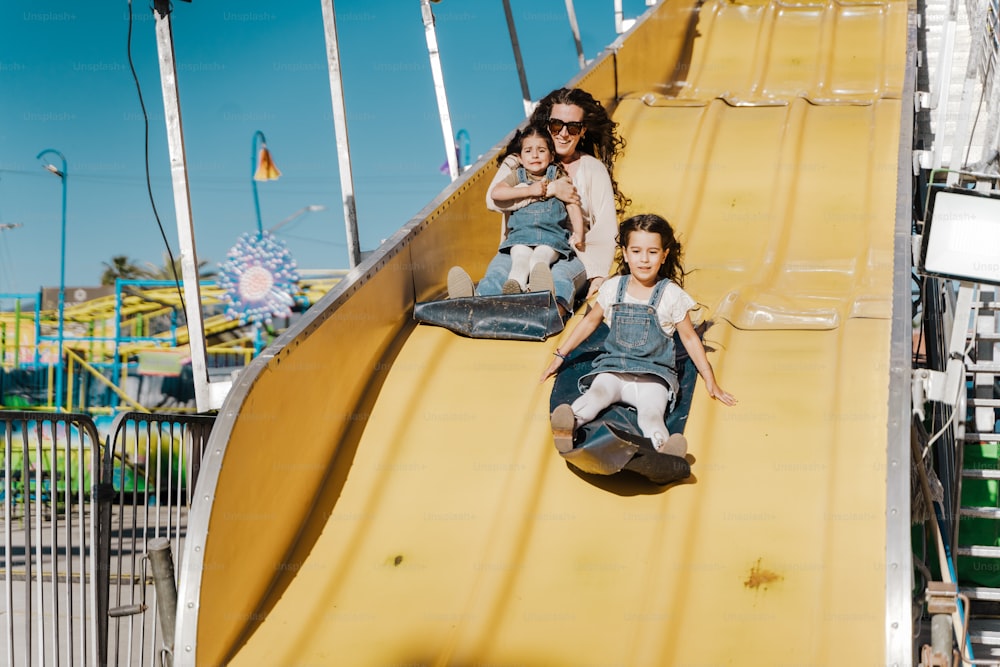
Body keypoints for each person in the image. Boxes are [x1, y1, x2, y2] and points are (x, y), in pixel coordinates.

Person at [540, 214, 737, 457]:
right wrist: (560, 355)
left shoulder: (670, 295)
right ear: (625, 253)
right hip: (614, 370)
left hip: (653, 376)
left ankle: (664, 450)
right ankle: (569, 426)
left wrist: (709, 378)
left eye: (652, 252)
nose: (644, 259)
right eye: (636, 251)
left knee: (651, 414)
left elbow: (689, 338)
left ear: (664, 255)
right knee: (597, 395)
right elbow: (589, 321)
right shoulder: (613, 288)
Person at [448, 87, 628, 316]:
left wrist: (598, 274)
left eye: (572, 127)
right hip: (519, 242)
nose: (563, 133)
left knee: (559, 276)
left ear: (582, 131)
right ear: (547, 125)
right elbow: (493, 200)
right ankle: (474, 304)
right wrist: (549, 189)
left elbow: (605, 227)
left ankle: (549, 311)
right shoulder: (518, 162)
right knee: (499, 272)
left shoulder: (592, 168)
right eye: (556, 125)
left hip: (571, 251)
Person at [490, 123, 585, 294]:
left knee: (539, 259)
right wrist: (528, 190)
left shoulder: (556, 175)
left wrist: (579, 233)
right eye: (528, 151)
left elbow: (572, 203)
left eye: (541, 150)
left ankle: (537, 290)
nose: (535, 155)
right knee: (519, 261)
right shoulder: (517, 176)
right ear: (519, 158)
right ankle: (514, 289)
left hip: (551, 238)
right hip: (521, 237)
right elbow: (496, 193)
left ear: (551, 156)